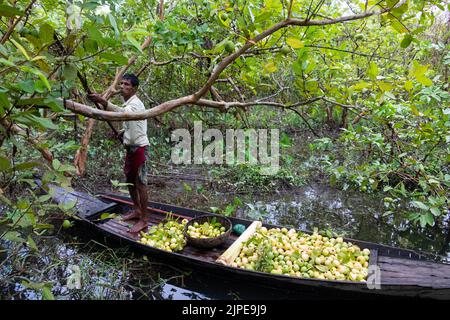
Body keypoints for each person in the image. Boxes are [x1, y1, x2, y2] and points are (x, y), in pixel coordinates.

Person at [88, 74, 150, 233]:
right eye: (121, 83)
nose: (123, 87)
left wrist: (103, 102)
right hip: (130, 148)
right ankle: (136, 210)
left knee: (140, 183)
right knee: (130, 180)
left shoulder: (135, 104)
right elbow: (133, 123)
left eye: (127, 84)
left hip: (139, 148)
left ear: (134, 89)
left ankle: (144, 220)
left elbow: (123, 113)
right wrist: (123, 132)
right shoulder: (129, 103)